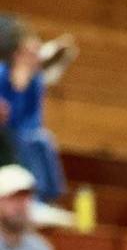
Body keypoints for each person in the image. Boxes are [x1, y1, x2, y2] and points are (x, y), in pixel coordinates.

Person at [0, 25, 76, 211]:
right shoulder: (2, 74)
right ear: (17, 54)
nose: (36, 58)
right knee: (29, 140)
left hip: (25, 135)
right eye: (32, 53)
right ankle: (33, 199)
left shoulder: (36, 81)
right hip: (4, 134)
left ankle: (43, 199)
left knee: (41, 139)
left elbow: (33, 119)